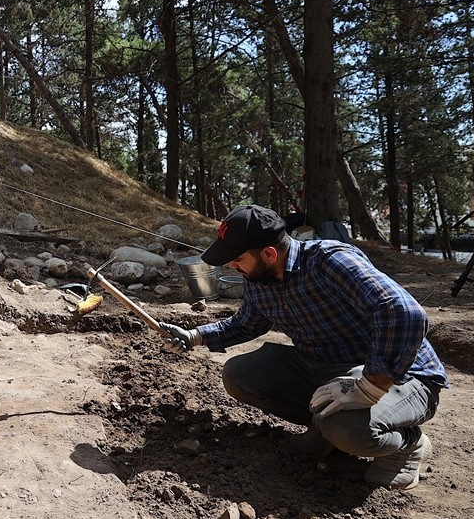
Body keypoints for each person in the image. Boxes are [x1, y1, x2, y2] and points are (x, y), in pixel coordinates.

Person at [158, 205, 448, 490]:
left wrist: (370, 386)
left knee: (348, 429)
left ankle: (408, 444)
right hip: (327, 367)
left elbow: (404, 313)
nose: (231, 267)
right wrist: (194, 336)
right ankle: (325, 429)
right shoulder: (259, 278)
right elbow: (245, 324)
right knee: (240, 375)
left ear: (269, 254)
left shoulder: (331, 261)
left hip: (400, 376)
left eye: (236, 260)